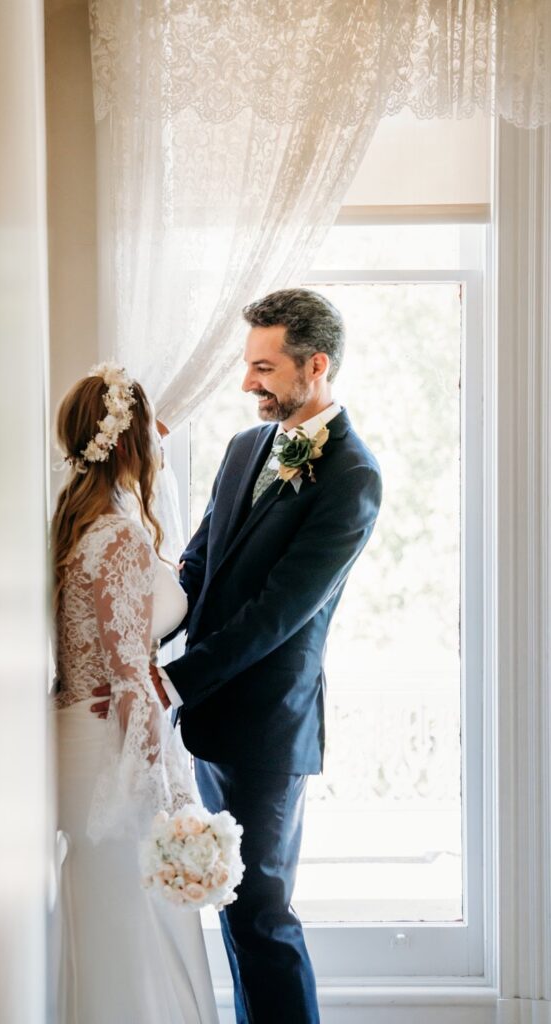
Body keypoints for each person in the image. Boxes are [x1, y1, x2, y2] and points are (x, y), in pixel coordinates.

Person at [151, 288, 383, 1023]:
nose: (248, 382)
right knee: (227, 902)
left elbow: (278, 613)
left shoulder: (352, 477)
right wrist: (130, 640)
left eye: (263, 367)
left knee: (261, 911)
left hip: (268, 728)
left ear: (314, 366)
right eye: (248, 365)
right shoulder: (243, 448)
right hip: (208, 718)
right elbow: (197, 566)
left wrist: (169, 682)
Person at [52, 365, 219, 1024]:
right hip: (108, 739)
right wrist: (160, 773)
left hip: (74, 725)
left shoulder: (75, 521)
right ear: (129, 443)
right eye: (151, 431)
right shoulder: (117, 532)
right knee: (132, 912)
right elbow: (125, 668)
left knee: (102, 909)